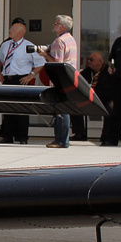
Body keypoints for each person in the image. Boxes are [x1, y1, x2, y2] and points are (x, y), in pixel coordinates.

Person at [0, 17, 42, 144]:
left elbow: (41, 63)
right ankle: (7, 136)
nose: (10, 31)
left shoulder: (29, 46)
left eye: (13, 29)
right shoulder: (5, 45)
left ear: (20, 33)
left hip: (21, 80)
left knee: (22, 109)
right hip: (8, 80)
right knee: (7, 108)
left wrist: (31, 75)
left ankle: (22, 137)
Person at [39, 15, 78, 148]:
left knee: (60, 109)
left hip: (60, 79)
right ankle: (63, 139)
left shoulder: (59, 41)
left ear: (62, 26)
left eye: (55, 23)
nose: (53, 25)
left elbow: (57, 63)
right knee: (64, 108)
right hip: (70, 79)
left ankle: (60, 140)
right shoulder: (71, 40)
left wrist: (45, 55)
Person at [72, 52, 107, 142]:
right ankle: (79, 133)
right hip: (89, 98)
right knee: (75, 105)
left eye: (91, 60)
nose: (88, 61)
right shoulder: (88, 71)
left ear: (100, 61)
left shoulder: (107, 71)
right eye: (88, 59)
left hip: (103, 99)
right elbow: (79, 81)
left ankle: (107, 135)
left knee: (112, 108)